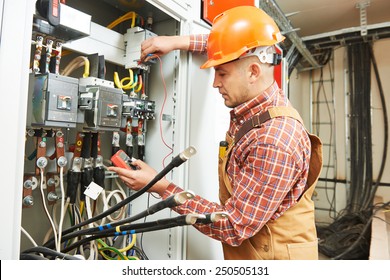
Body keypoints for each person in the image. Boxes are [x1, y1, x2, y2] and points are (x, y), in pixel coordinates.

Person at [108, 6, 323, 260]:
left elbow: (233, 225)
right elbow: (228, 48)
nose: (215, 82)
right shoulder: (257, 103)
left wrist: (161, 187)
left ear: (253, 71)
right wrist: (176, 41)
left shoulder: (273, 139)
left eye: (222, 73)